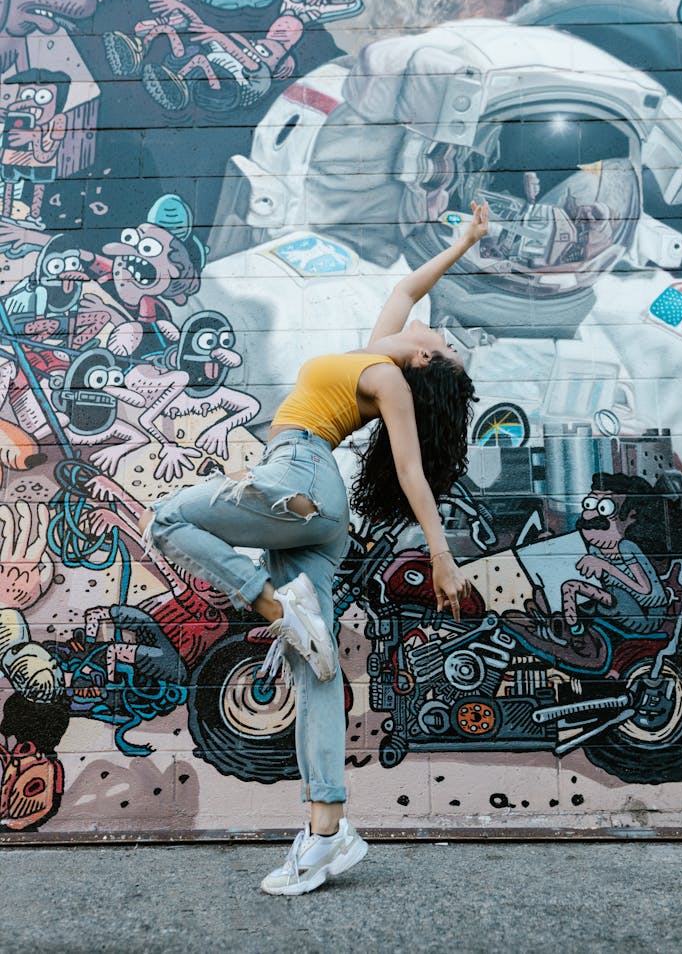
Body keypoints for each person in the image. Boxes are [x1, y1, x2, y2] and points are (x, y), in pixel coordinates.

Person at [138, 201, 489, 895]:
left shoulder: (388, 377)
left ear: (424, 360)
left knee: (167, 519)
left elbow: (414, 475)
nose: (434, 327)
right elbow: (405, 290)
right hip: (317, 513)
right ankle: (327, 834)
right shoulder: (379, 351)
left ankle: (274, 605)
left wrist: (443, 554)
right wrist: (465, 241)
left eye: (441, 342)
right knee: (317, 671)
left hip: (298, 475)